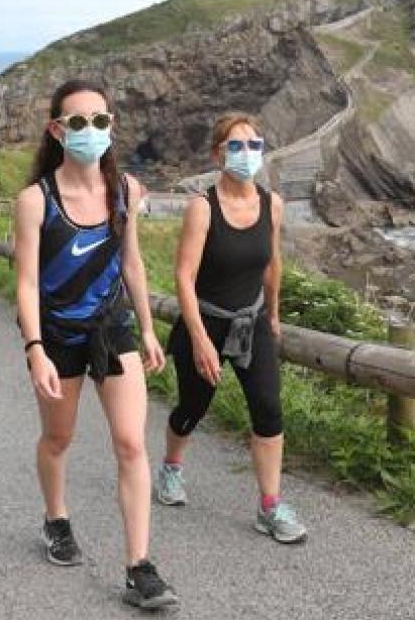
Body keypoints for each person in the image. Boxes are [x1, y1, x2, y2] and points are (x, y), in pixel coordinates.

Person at [13, 79, 178, 610]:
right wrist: (34, 346)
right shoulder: (35, 200)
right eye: (79, 122)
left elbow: (132, 262)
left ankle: (139, 567)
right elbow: (27, 282)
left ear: (112, 125)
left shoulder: (126, 191)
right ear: (57, 130)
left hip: (112, 329)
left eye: (101, 120)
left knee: (131, 443)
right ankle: (56, 519)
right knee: (58, 439)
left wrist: (149, 328)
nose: (91, 131)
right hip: (57, 334)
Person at [154, 112, 307, 544]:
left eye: (254, 145)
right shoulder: (201, 209)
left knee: (268, 410)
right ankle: (170, 467)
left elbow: (273, 262)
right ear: (218, 154)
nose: (246, 154)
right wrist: (200, 339)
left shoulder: (271, 204)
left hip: (252, 320)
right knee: (192, 408)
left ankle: (270, 506)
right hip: (205, 321)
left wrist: (273, 313)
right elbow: (183, 276)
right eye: (235, 146)